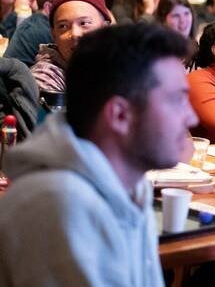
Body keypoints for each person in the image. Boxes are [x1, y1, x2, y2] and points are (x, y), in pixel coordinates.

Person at [0, 23, 197, 286]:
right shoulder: (60, 206)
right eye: (176, 100)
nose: (191, 117)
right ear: (119, 115)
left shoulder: (130, 187)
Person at [30, 0, 112, 92]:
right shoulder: (46, 76)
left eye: (84, 23)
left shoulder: (118, 64)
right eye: (63, 26)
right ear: (54, 34)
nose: (74, 34)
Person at [4, 0, 74, 66]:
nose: (73, 8)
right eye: (66, 3)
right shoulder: (45, 29)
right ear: (48, 7)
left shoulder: (35, 22)